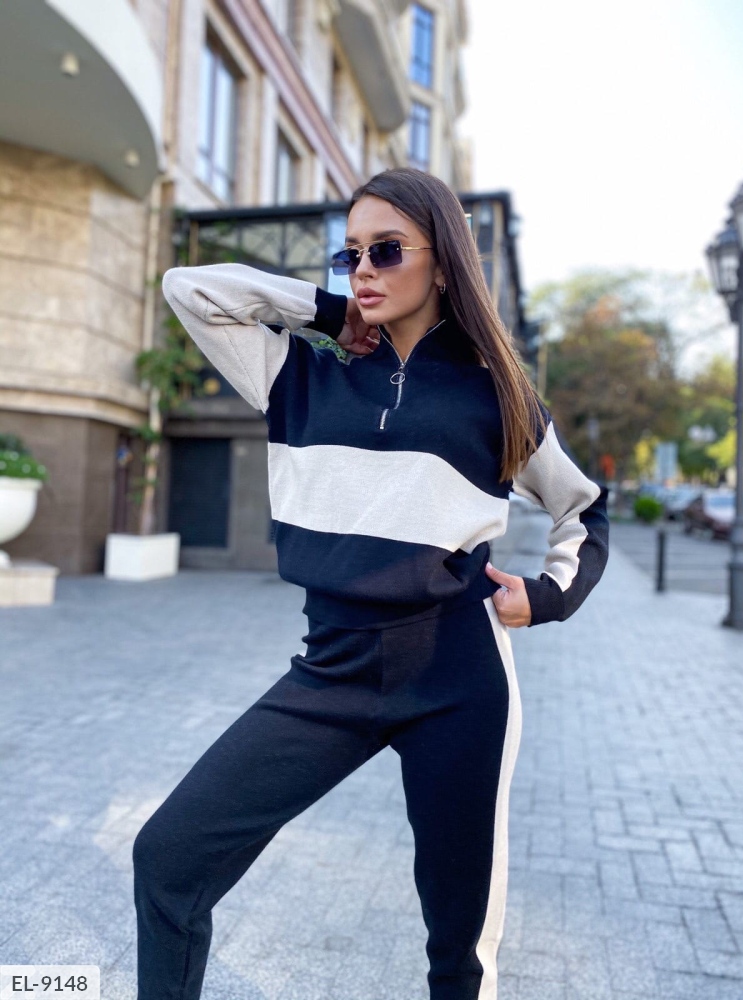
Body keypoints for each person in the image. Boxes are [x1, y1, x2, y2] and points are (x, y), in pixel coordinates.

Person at [132, 167, 609, 1000]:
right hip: (331, 671)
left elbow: (584, 509)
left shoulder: (498, 396)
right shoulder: (298, 377)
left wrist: (549, 596)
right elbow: (189, 288)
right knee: (168, 858)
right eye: (348, 253)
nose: (363, 269)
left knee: (459, 947)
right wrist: (329, 311)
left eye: (387, 250)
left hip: (458, 678)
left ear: (443, 261)